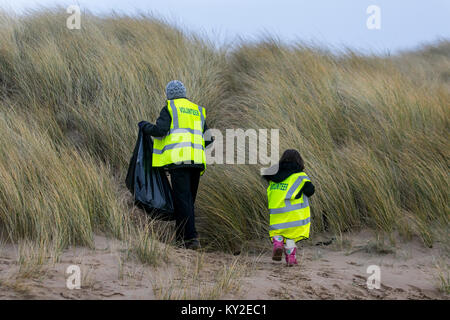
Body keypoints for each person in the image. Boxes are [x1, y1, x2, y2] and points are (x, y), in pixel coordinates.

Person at [139, 80, 213, 250]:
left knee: (182, 201)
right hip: (196, 162)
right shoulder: (198, 110)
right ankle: (182, 239)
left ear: (169, 94)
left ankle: (191, 238)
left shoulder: (170, 108)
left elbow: (159, 131)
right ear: (184, 92)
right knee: (188, 201)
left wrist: (144, 126)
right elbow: (209, 139)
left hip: (179, 163)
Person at [262, 149, 315, 266]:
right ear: (299, 161)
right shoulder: (300, 176)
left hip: (277, 214)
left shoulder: (273, 176)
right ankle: (291, 257)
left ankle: (278, 243)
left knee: (278, 232)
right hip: (294, 215)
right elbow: (311, 191)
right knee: (292, 236)